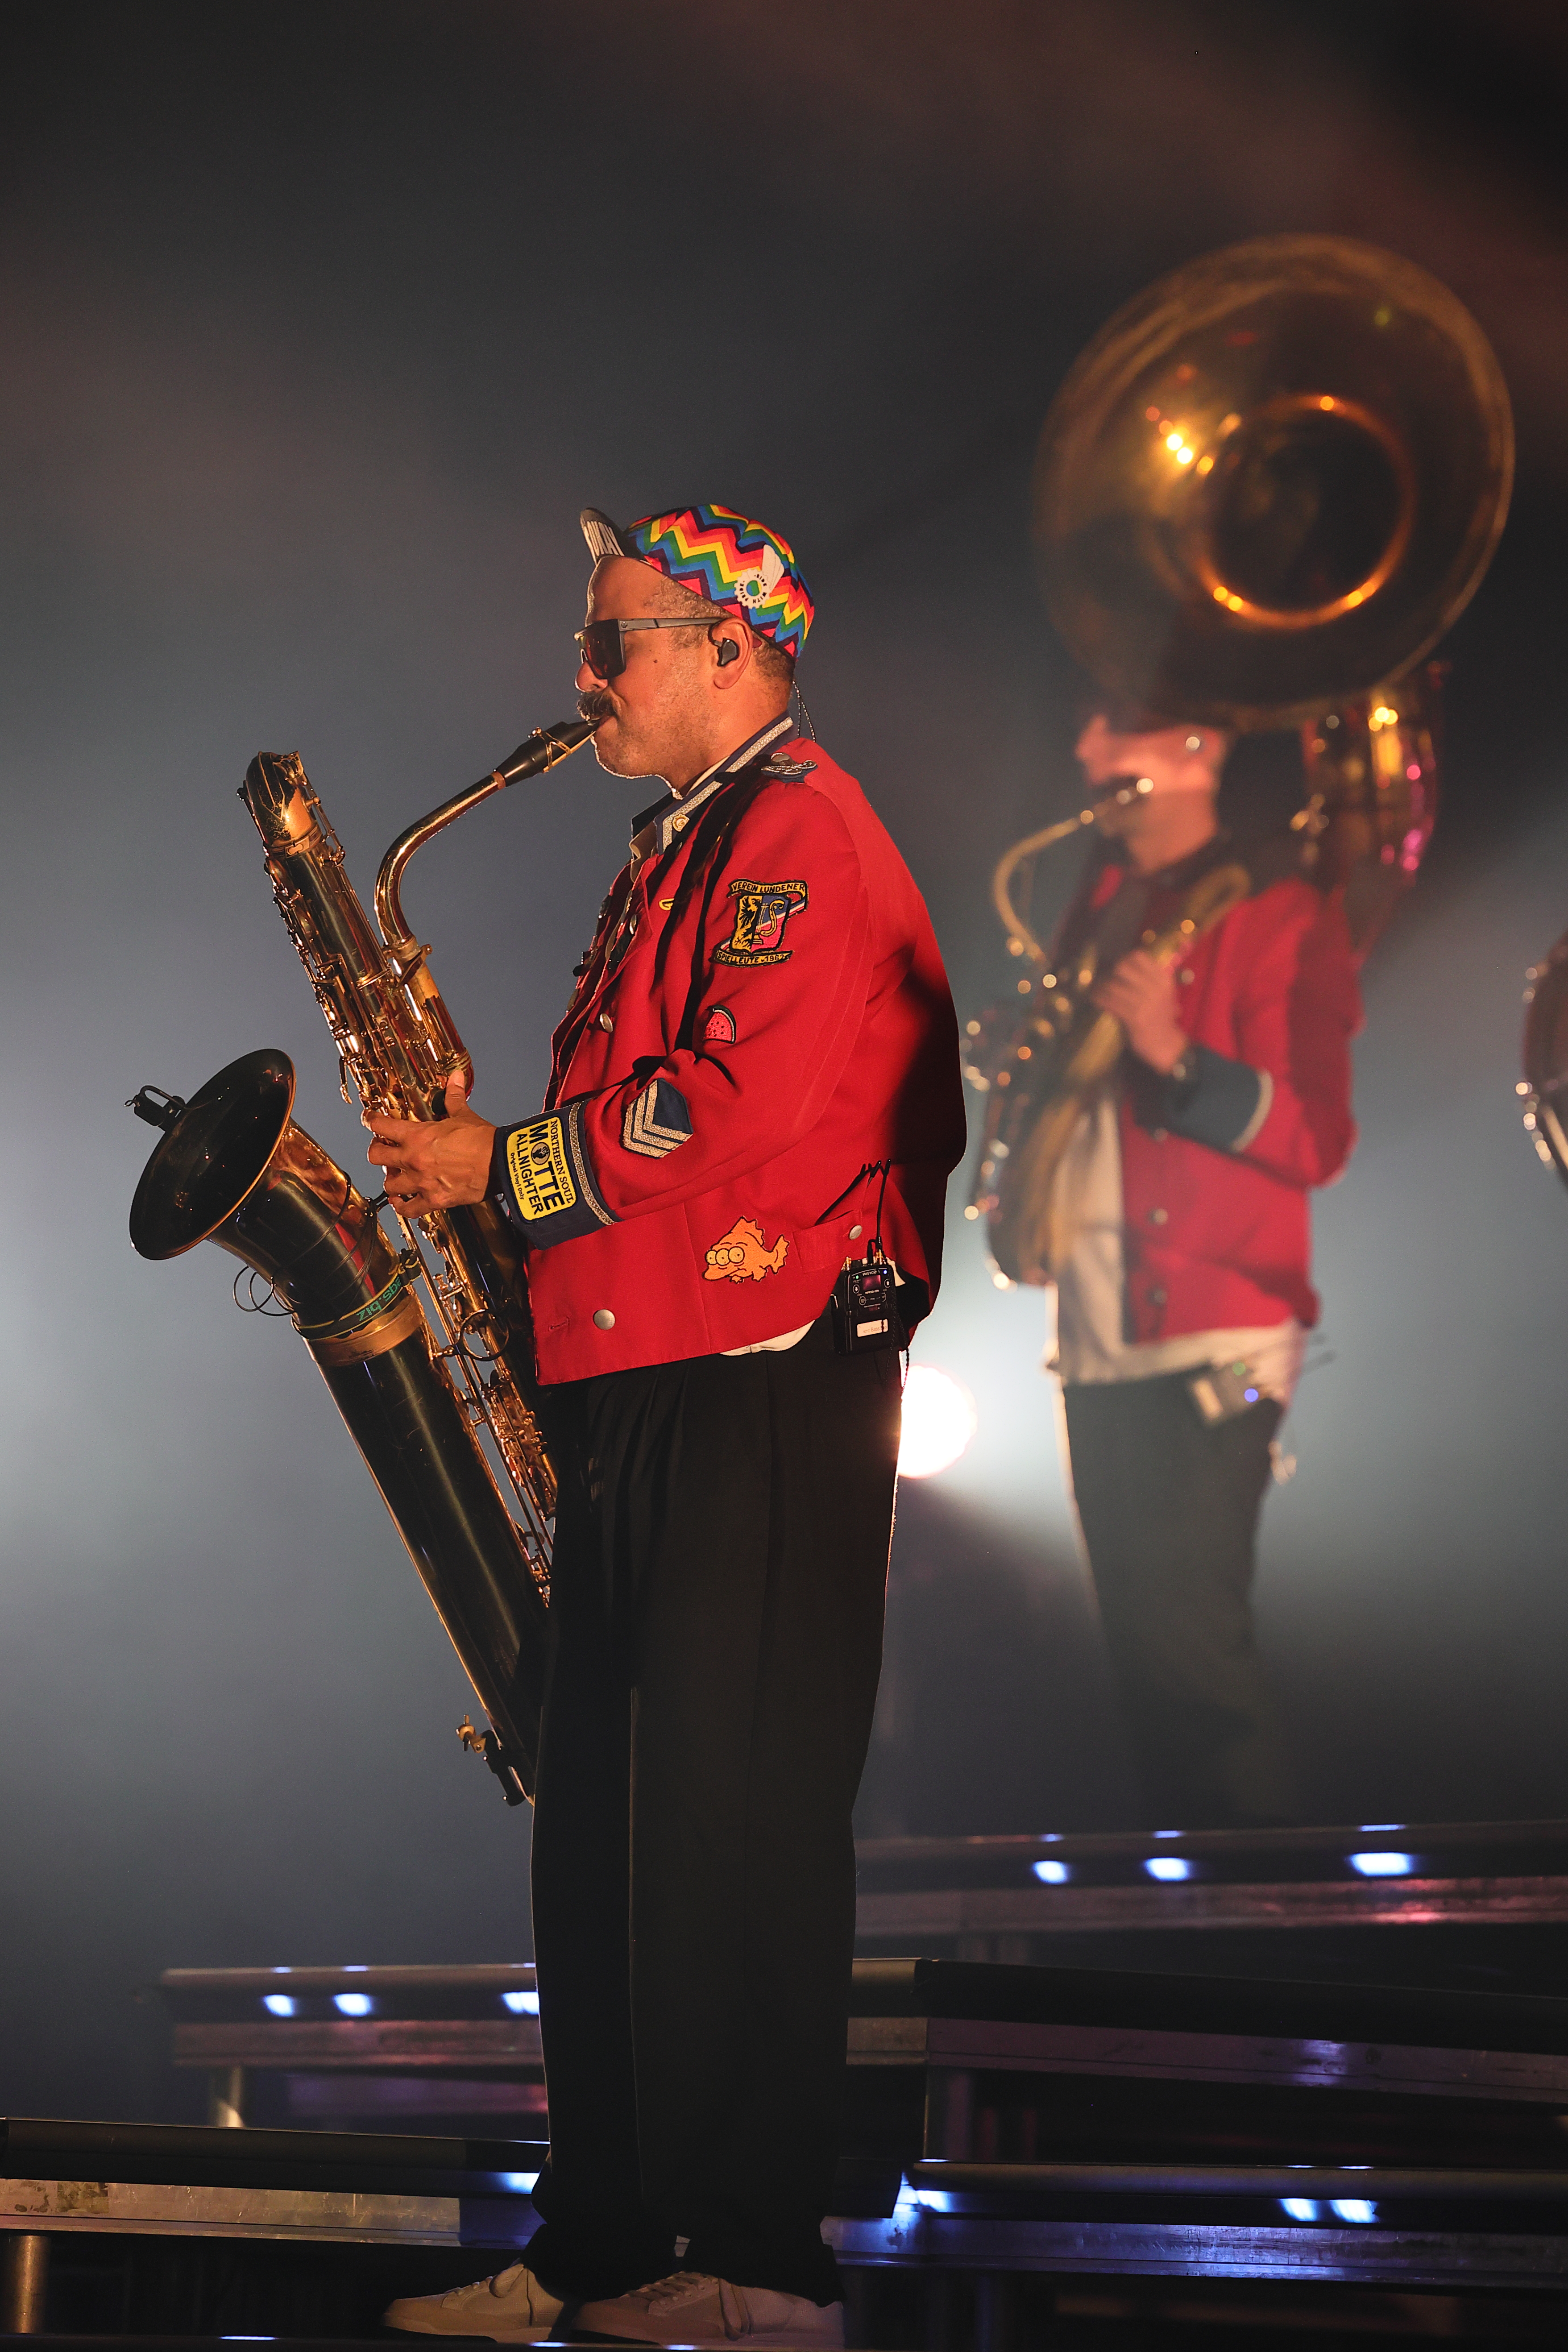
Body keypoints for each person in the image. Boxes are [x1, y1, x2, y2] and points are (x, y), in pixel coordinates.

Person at [370, 503, 965, 2346]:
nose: (583, 675)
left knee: (730, 1819)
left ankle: (755, 2261)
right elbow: (642, 1115)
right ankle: (607, 2237)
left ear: (730, 645)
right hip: (648, 1386)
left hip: (763, 1378)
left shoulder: (800, 832)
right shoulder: (682, 846)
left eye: (612, 637)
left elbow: (732, 1106)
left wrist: (506, 1162)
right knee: (607, 1834)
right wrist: (481, 1170)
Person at [1041, 710, 1359, 1828]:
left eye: (1117, 735)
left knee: (1193, 1656)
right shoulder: (1092, 905)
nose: (1087, 754)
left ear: (1198, 752)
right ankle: (1202, 1939)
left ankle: (1270, 1938)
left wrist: (1174, 1052)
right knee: (1145, 1663)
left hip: (1234, 1348)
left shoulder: (1281, 917)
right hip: (1095, 1342)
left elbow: (1316, 1136)